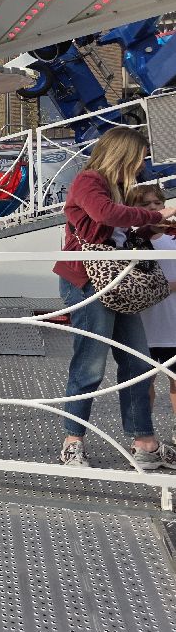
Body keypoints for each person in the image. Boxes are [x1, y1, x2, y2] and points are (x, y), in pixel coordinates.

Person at [53, 127, 176, 469]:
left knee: (137, 362)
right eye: (139, 158)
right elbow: (104, 215)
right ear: (123, 154)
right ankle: (73, 442)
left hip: (118, 281)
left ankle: (144, 443)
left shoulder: (117, 188)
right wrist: (157, 215)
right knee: (90, 364)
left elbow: (117, 235)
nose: (141, 165)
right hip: (88, 282)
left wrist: (152, 229)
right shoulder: (89, 181)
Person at [126, 184, 176, 441]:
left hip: (172, 323)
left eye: (158, 203)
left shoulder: (173, 237)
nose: (154, 208)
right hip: (143, 324)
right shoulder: (132, 239)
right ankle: (144, 435)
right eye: (145, 205)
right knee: (144, 383)